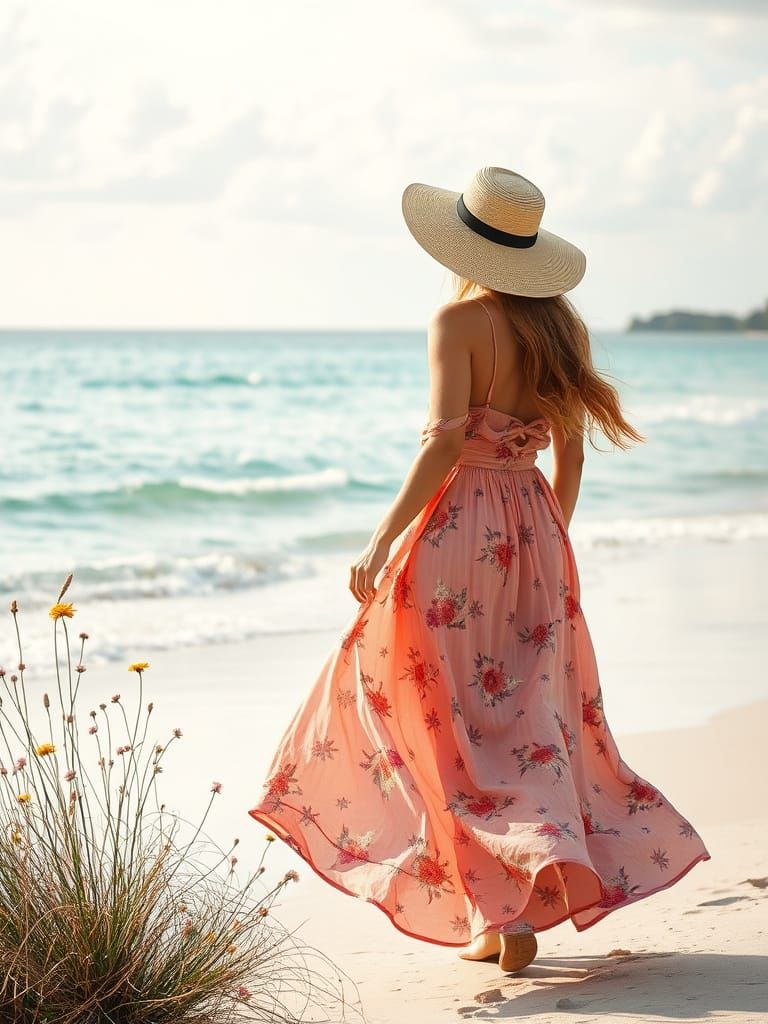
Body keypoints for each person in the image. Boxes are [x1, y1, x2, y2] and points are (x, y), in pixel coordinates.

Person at [248, 167, 711, 975]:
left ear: (461, 244)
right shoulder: (563, 331)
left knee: (438, 719)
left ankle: (494, 914)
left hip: (458, 530)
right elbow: (570, 453)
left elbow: (441, 443)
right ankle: (513, 903)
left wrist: (382, 539)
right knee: (528, 723)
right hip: (532, 533)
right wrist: (547, 538)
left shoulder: (457, 319)